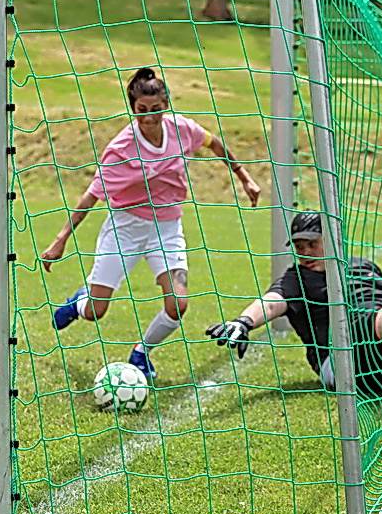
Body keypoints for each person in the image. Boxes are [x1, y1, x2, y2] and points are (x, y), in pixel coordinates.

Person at [41, 68, 261, 379]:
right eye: (142, 110)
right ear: (133, 108)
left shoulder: (182, 129)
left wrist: (245, 178)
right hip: (126, 228)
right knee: (95, 312)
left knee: (178, 303)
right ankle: (80, 302)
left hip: (167, 228)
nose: (149, 117)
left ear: (165, 104)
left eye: (155, 109)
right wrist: (60, 240)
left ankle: (141, 353)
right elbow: (91, 196)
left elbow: (214, 144)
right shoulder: (121, 149)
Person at [205, 212, 382, 396]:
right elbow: (271, 303)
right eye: (299, 246)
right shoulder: (298, 278)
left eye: (312, 243)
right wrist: (243, 322)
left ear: (332, 240)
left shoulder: (363, 266)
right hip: (342, 359)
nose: (305, 252)